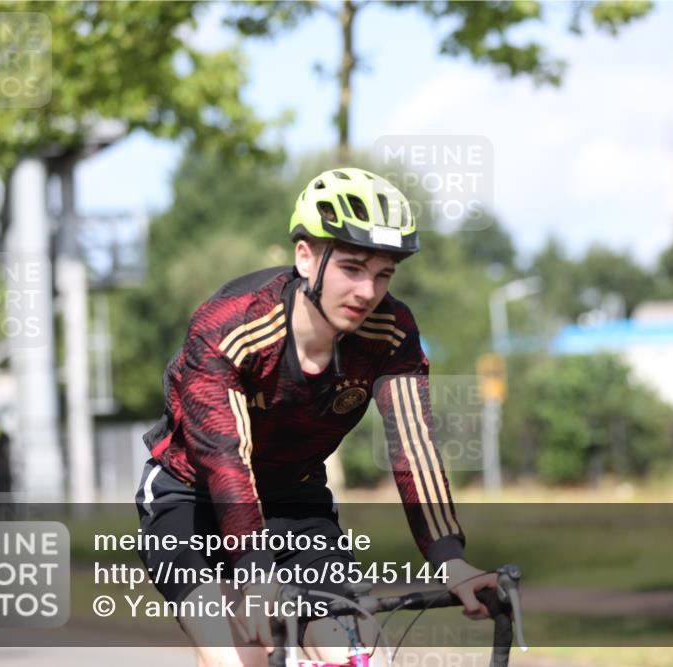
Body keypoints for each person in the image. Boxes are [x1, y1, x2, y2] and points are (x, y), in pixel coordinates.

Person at [135, 167, 496, 667]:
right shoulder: (230, 326)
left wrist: (448, 558)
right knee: (241, 654)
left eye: (384, 273)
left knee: (357, 653)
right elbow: (224, 461)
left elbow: (414, 447)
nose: (368, 292)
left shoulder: (390, 333)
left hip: (294, 498)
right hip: (191, 496)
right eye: (352, 267)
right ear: (306, 256)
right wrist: (255, 574)